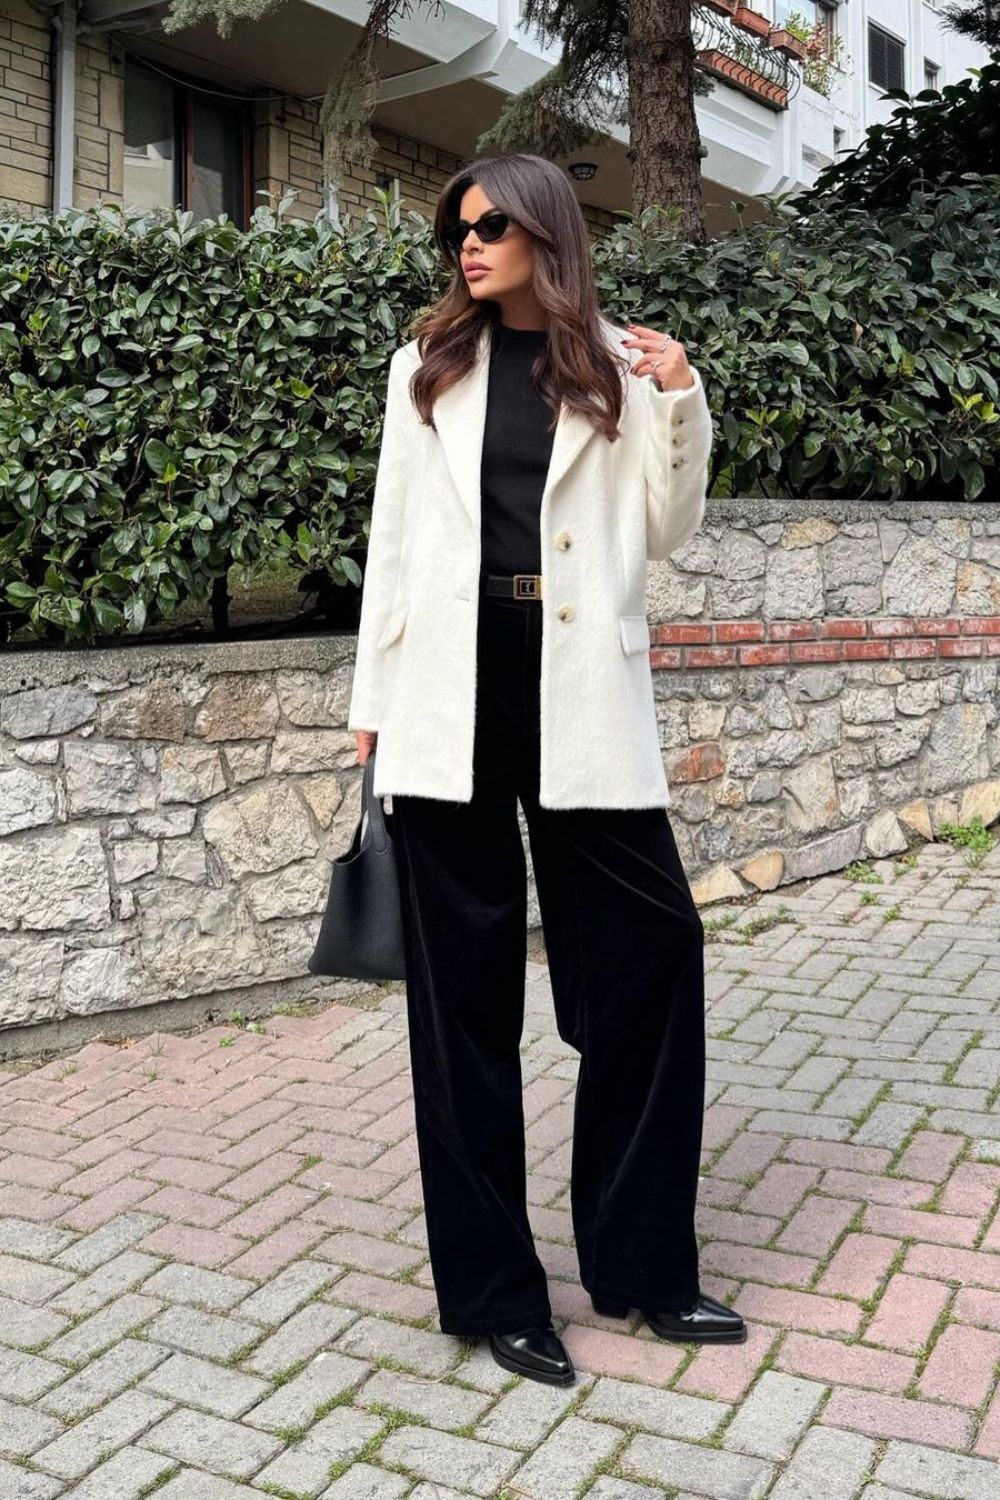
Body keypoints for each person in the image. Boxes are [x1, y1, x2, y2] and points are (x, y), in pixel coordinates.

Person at [347, 153, 746, 1386]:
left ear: (544, 235)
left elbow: (668, 531)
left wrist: (682, 401)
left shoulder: (623, 370)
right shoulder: (426, 369)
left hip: (579, 694)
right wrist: (369, 710)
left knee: (650, 959)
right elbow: (392, 544)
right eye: (456, 228)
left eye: (490, 227)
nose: (466, 245)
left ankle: (640, 1269)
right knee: (459, 1006)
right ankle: (494, 1294)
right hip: (445, 696)